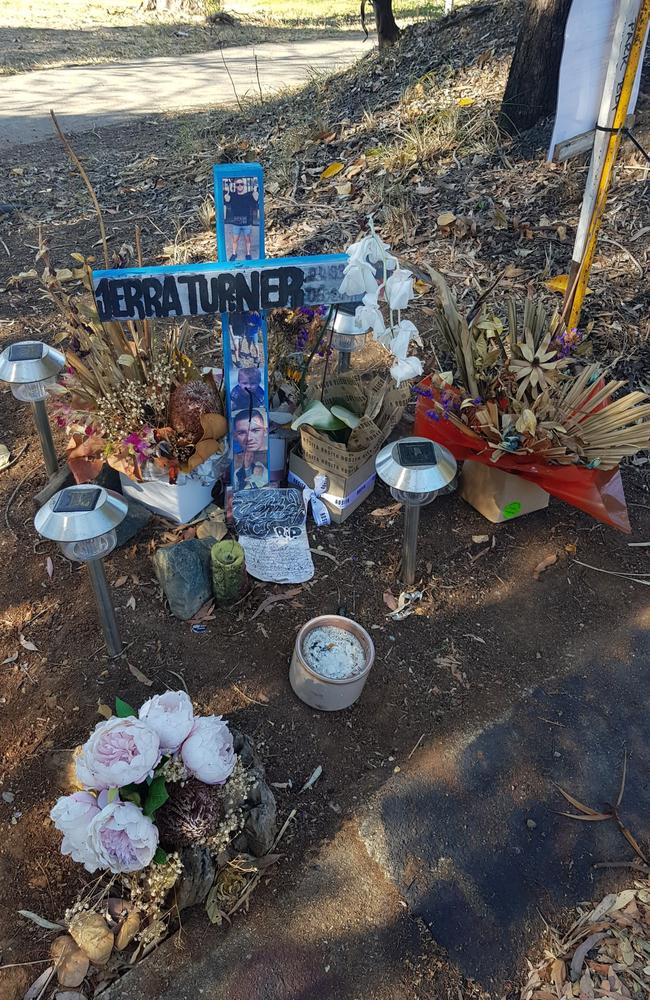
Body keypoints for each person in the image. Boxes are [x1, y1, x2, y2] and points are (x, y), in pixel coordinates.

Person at [223, 178, 259, 261]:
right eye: (237, 184)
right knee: (235, 239)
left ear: (244, 185)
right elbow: (227, 201)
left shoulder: (249, 195)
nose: (239, 186)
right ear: (235, 186)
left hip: (247, 223)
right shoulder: (232, 195)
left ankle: (248, 254)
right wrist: (226, 198)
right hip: (236, 223)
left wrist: (255, 194)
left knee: (248, 239)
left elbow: (255, 200)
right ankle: (234, 254)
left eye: (241, 184)